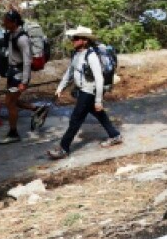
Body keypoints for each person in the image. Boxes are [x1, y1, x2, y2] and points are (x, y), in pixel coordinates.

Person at [47, 26, 122, 160]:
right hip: (82, 90)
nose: (73, 41)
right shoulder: (76, 54)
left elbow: (99, 78)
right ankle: (115, 135)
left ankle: (64, 148)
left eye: (76, 38)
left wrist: (98, 100)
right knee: (98, 113)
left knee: (76, 119)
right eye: (73, 38)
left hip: (89, 91)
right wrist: (60, 88)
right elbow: (69, 73)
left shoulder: (91, 55)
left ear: (85, 41)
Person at [0, 9, 33, 145]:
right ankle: (36, 109)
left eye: (7, 21)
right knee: (11, 100)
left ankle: (13, 133)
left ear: (14, 22)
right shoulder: (12, 35)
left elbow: (27, 61)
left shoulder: (22, 39)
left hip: (18, 74)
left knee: (10, 103)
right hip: (12, 73)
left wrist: (24, 81)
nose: (4, 24)